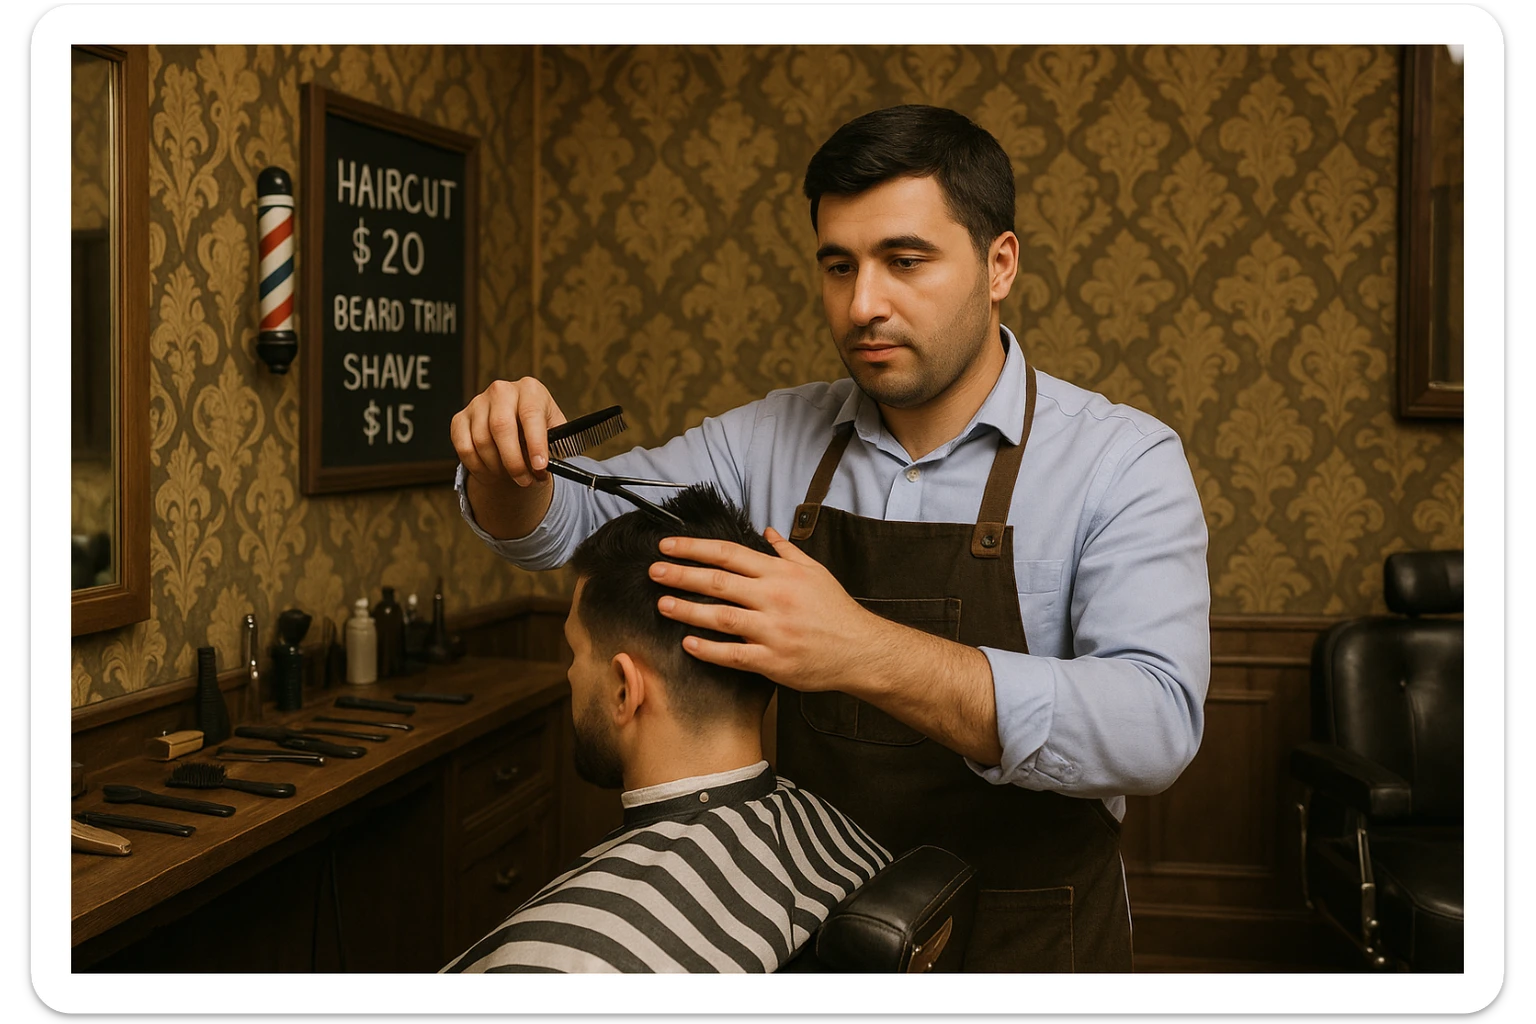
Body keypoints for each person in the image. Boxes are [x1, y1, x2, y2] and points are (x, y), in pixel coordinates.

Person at [451, 104, 1211, 972]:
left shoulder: (1123, 461)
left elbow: (1156, 725)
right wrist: (504, 464)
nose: (862, 305)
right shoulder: (770, 440)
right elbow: (569, 527)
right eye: (838, 266)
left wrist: (863, 651)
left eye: (904, 262)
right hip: (823, 925)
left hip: (1034, 935)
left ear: (999, 264)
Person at [442, 484, 892, 973]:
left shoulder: (559, 964)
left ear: (623, 689)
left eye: (576, 653)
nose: (571, 673)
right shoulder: (847, 845)